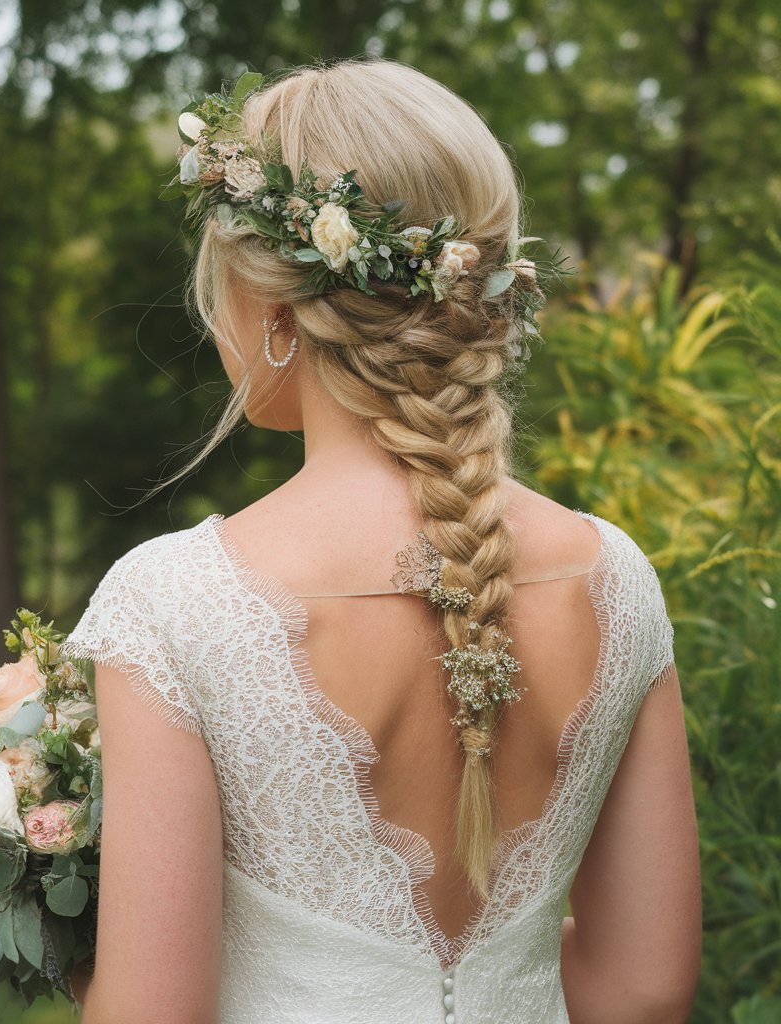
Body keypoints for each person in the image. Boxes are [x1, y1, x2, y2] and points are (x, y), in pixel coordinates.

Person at [62, 57, 701, 1024]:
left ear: (274, 313)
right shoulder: (611, 579)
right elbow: (644, 987)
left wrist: (74, 953)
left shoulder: (175, 603)